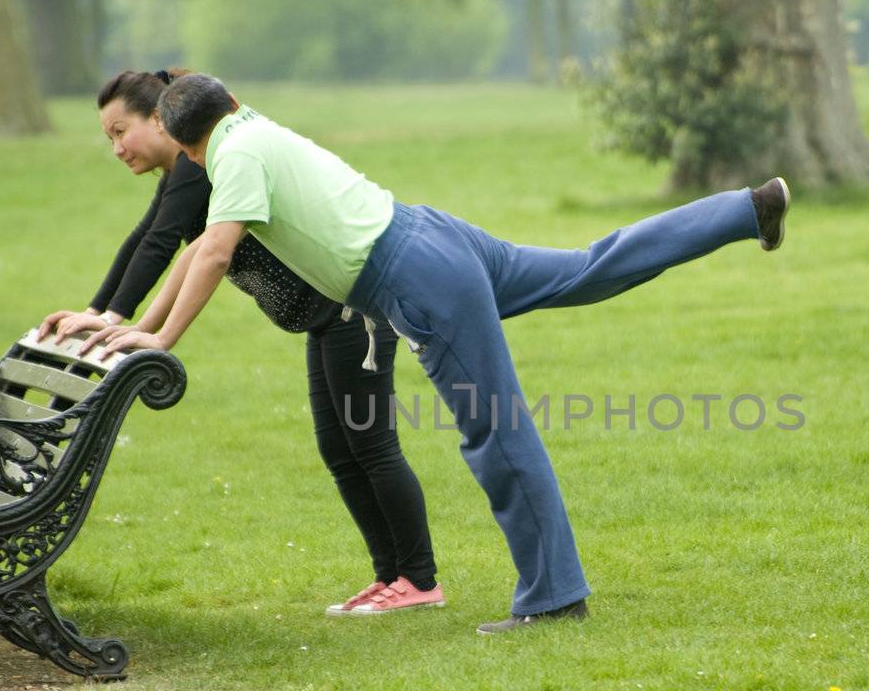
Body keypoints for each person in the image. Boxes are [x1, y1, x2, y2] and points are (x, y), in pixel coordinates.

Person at [84, 74, 791, 635]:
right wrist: (144, 324)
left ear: (186, 144)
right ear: (232, 101)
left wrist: (159, 338)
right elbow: (201, 235)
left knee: (495, 429)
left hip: (413, 277)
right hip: (433, 232)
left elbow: (211, 249)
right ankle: (746, 208)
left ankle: (553, 598)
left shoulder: (228, 157)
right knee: (588, 265)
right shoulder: (256, 125)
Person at [43, 69, 443, 617]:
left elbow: (194, 250)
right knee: (341, 450)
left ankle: (418, 580)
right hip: (326, 317)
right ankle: (391, 579)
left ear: (159, 119)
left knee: (371, 446)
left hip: (351, 308)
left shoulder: (200, 165)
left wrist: (147, 331)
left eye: (121, 132)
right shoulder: (188, 168)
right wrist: (122, 321)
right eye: (107, 137)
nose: (116, 148)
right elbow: (177, 245)